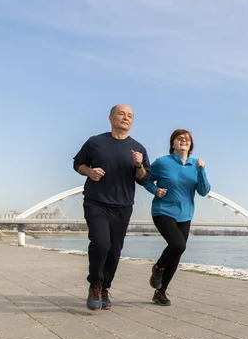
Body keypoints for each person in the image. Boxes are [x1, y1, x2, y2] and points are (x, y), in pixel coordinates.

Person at [73, 104, 150, 311]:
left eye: (130, 116)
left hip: (123, 206)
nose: (126, 118)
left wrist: (139, 165)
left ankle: (105, 287)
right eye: (121, 114)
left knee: (115, 250)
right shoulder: (95, 142)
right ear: (111, 118)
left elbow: (143, 179)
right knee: (101, 244)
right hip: (96, 201)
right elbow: (77, 164)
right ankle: (95, 284)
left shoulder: (139, 149)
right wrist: (89, 171)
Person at [144, 129, 211, 306]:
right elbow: (146, 180)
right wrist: (155, 190)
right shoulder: (162, 162)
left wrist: (202, 171)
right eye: (179, 138)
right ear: (173, 143)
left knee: (177, 253)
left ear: (191, 145)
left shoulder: (196, 164)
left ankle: (160, 292)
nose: (183, 140)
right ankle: (158, 267)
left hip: (185, 214)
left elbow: (204, 191)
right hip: (163, 210)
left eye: (187, 139)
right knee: (178, 245)